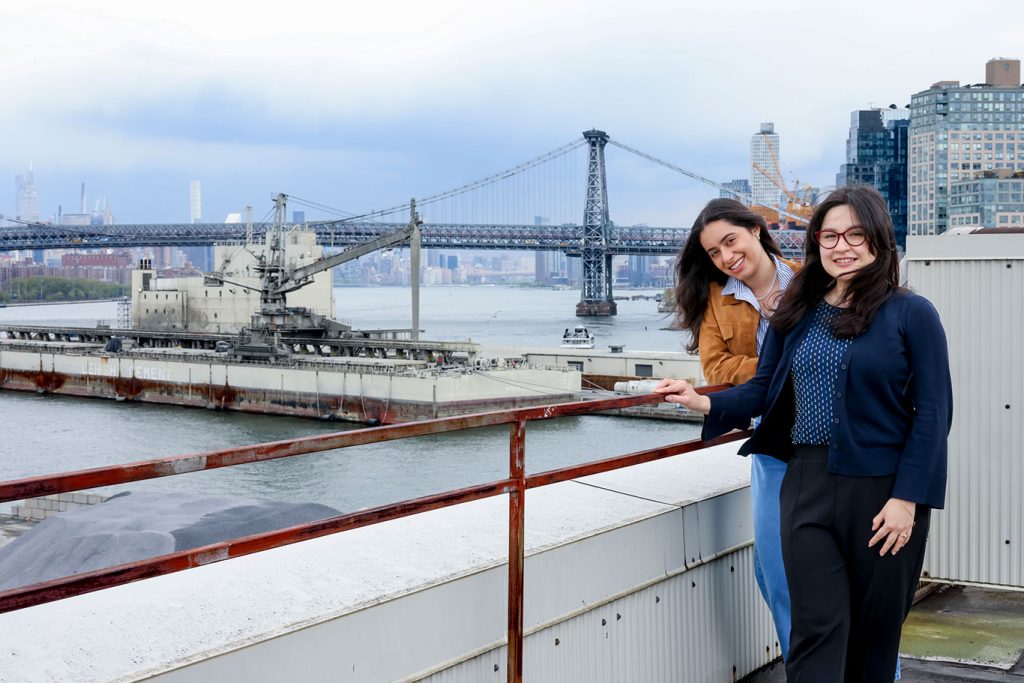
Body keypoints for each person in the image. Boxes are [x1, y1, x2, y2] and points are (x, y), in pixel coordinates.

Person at [656, 186, 952, 681]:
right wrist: (702, 400)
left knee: (872, 642)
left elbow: (934, 413)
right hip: (805, 484)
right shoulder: (799, 308)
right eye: (830, 235)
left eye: (855, 234)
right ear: (815, 242)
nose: (842, 246)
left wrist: (908, 499)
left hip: (882, 492)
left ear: (879, 238)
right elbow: (763, 391)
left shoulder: (911, 313)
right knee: (815, 630)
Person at [672, 198, 798, 659]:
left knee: (844, 572)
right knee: (773, 573)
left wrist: (771, 374)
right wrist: (779, 370)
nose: (726, 258)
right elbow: (716, 365)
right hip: (770, 437)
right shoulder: (716, 296)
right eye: (714, 252)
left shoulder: (810, 282)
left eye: (731, 241)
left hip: (827, 432)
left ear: (757, 231)